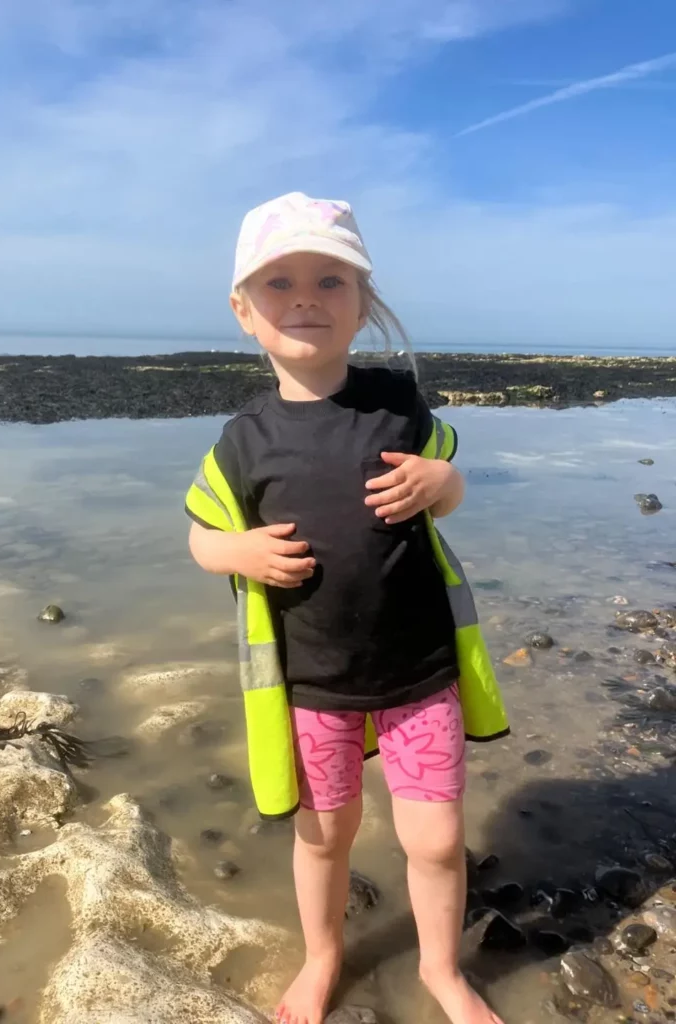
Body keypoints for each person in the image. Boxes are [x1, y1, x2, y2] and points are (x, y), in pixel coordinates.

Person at [185, 192, 509, 1024]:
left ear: (363, 303)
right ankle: (323, 956)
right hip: (313, 683)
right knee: (324, 835)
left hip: (420, 669)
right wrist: (239, 552)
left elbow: (449, 486)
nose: (304, 298)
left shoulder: (399, 404)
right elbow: (198, 535)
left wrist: (446, 483)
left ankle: (441, 968)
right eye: (279, 282)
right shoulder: (241, 441)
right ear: (243, 311)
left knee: (434, 839)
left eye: (331, 280)